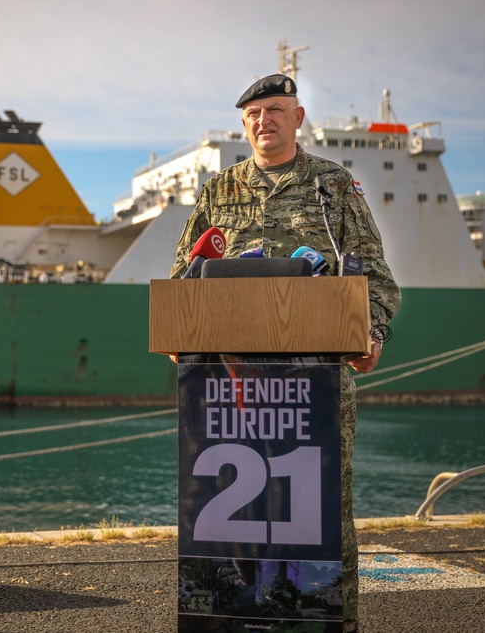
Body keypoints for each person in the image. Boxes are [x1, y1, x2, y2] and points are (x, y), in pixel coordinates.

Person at [169, 73, 401, 633]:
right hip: (227, 386)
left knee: (319, 506)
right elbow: (183, 276)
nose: (263, 121)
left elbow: (374, 275)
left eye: (275, 110)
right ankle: (228, 618)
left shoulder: (332, 186)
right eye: (252, 113)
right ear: (243, 122)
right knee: (228, 501)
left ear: (297, 118)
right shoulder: (218, 190)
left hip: (313, 382)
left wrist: (373, 333)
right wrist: (180, 334)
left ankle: (326, 622)